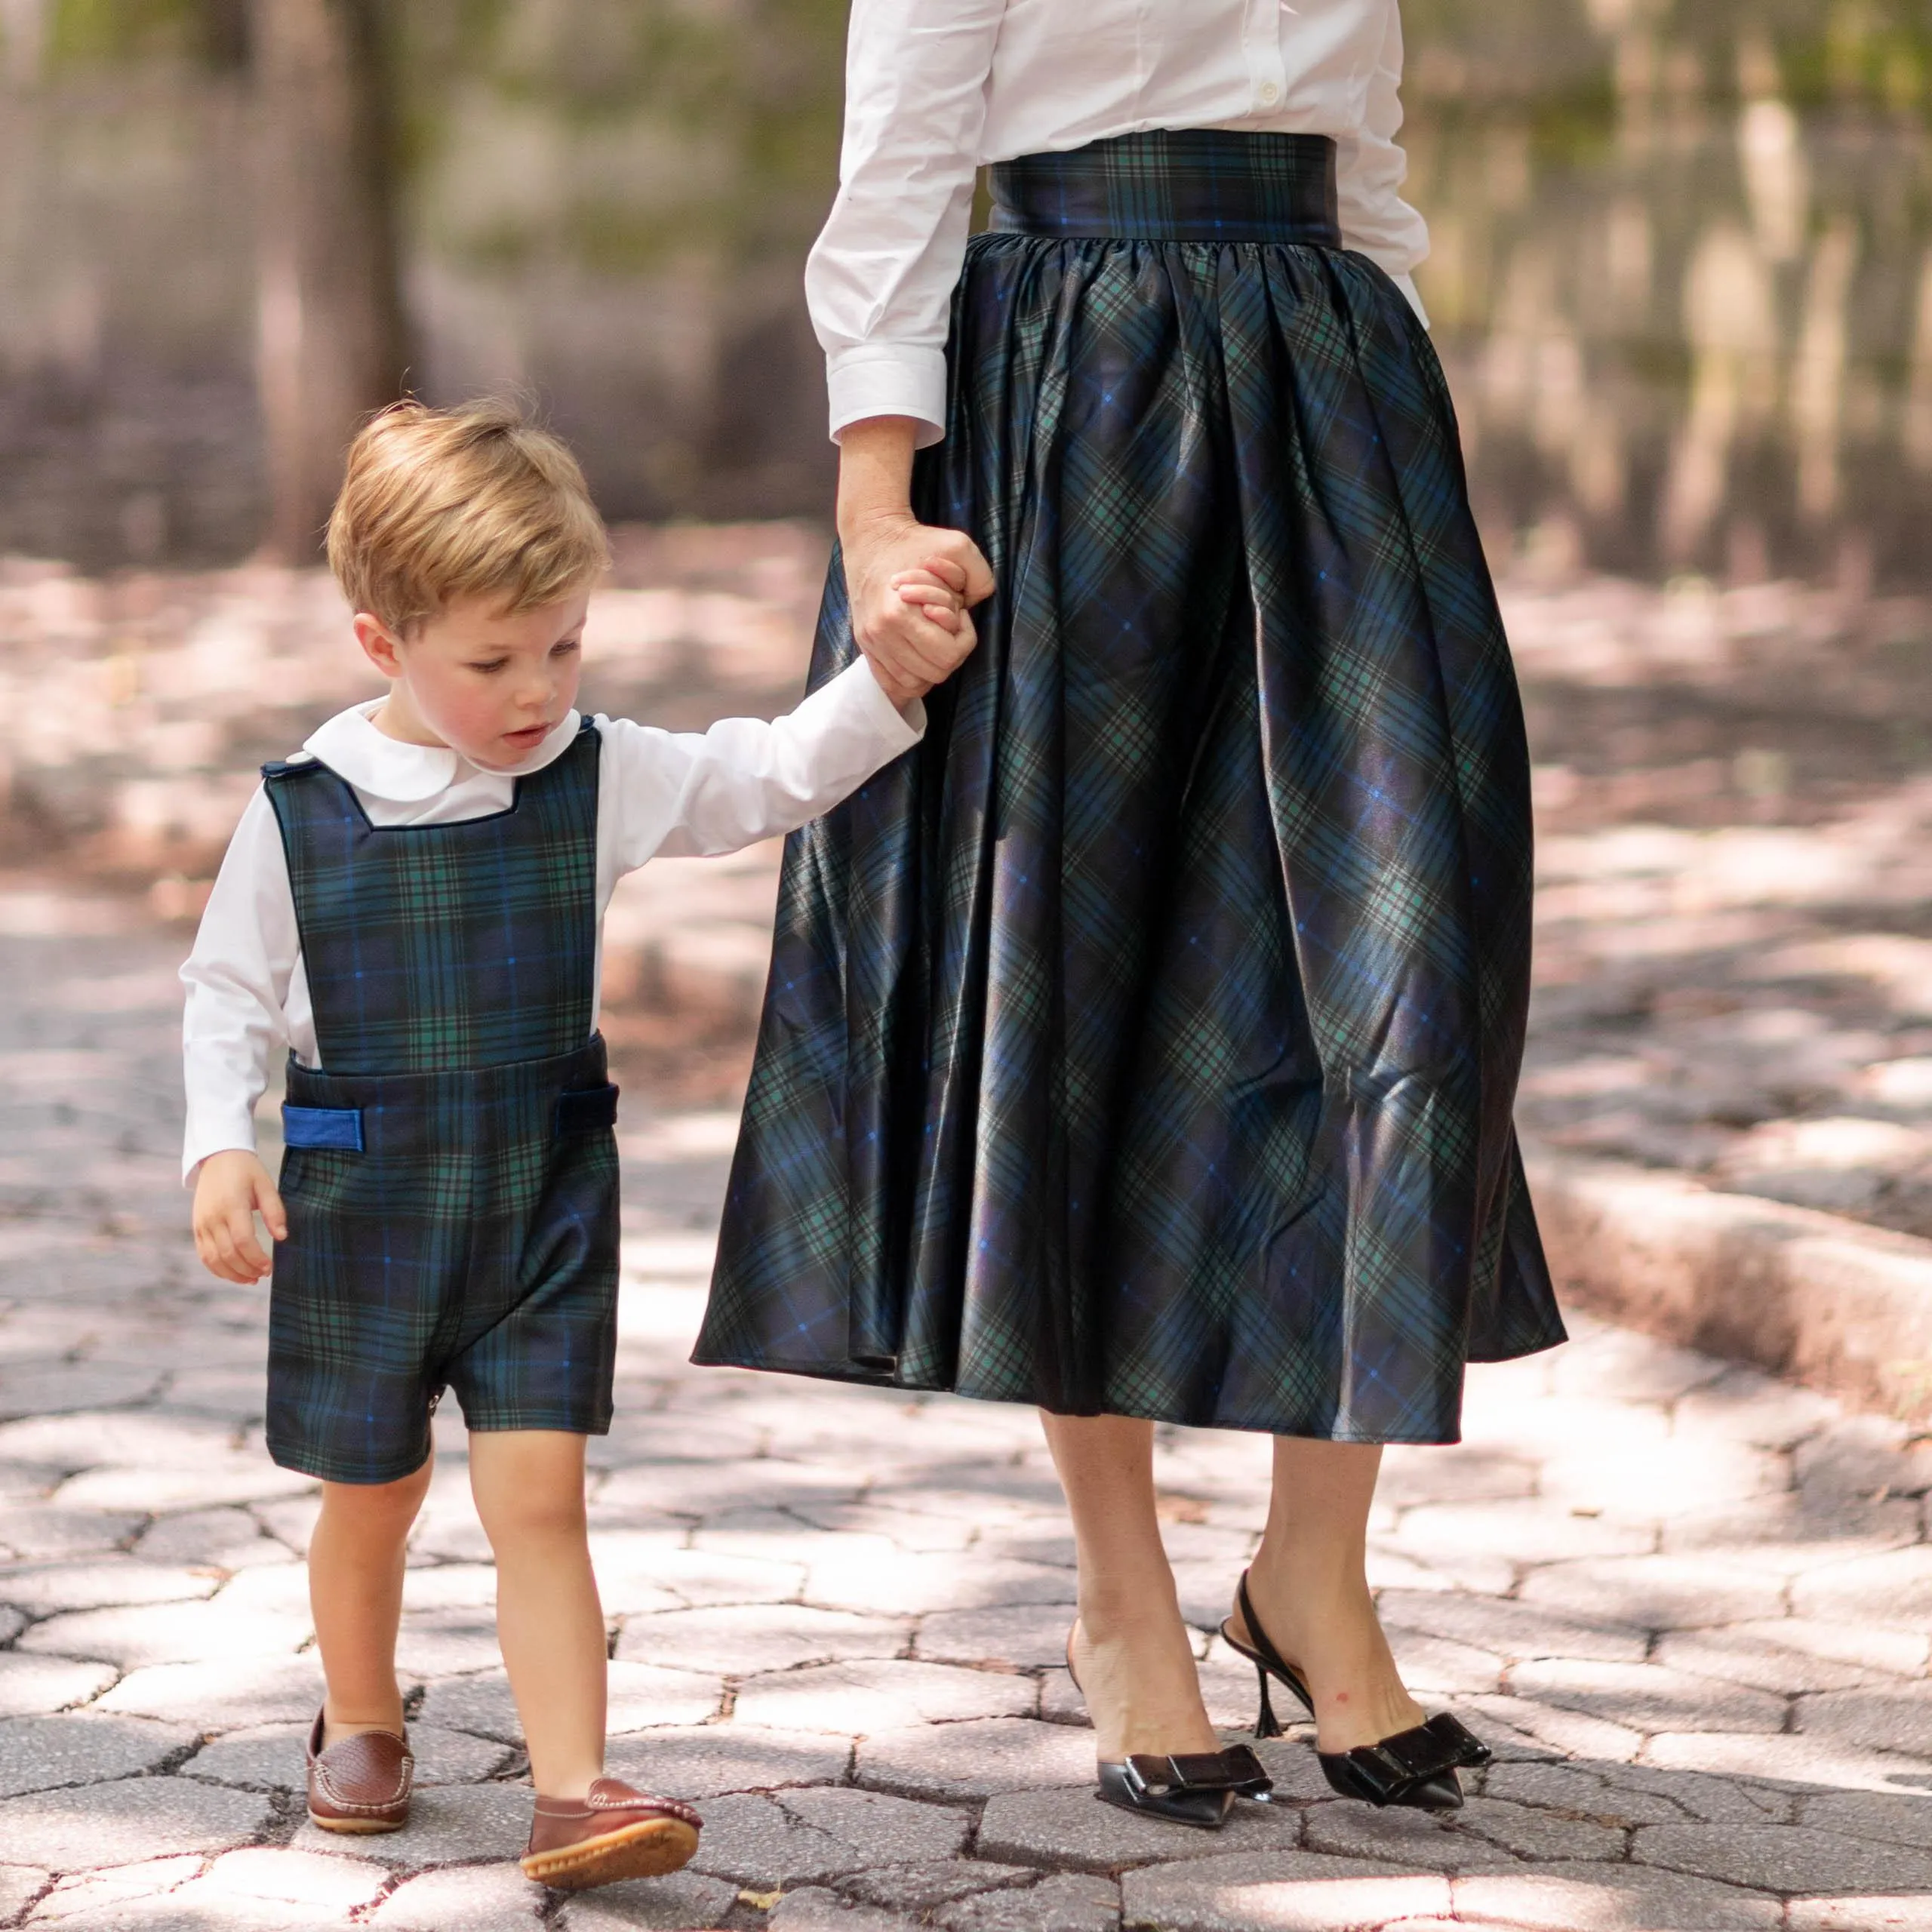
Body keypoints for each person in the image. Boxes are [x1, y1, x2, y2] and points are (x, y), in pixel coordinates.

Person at [696, 0, 1568, 1824]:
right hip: (1069, 414)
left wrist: (1405, 442)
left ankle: (1311, 1567)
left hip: (1334, 414)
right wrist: (874, 509)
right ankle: (1122, 1592)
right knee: (1072, 995)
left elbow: (1372, 178)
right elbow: (903, 184)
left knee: (1411, 978)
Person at [180, 398, 969, 1885]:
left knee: (539, 1495)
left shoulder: (589, 774)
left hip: (542, 1203)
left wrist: (883, 679)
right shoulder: (299, 814)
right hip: (363, 1207)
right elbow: (225, 994)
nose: (537, 686)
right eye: (492, 660)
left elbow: (766, 774)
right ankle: (359, 1714)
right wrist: (220, 1150)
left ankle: (571, 1786)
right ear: (381, 644)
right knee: (373, 1493)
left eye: (562, 645)